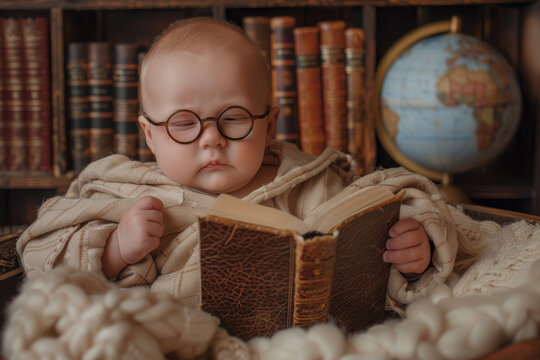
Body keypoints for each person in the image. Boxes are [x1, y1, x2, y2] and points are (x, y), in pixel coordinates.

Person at [17, 17, 457, 311]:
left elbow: (383, 211)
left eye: (234, 119)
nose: (211, 138)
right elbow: (40, 252)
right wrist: (115, 252)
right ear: (149, 135)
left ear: (269, 126)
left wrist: (411, 254)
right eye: (184, 123)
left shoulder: (311, 182)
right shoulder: (126, 192)